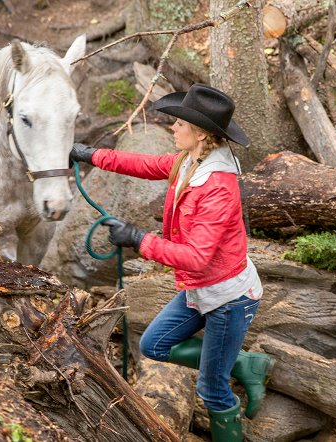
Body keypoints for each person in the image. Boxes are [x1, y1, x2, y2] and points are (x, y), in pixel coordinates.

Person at [70, 83, 272, 441]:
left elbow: (196, 257)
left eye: (180, 123)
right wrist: (90, 155)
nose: (173, 127)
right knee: (154, 345)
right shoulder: (188, 162)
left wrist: (138, 239)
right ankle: (243, 363)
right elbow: (147, 164)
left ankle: (232, 376)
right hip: (201, 289)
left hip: (228, 298)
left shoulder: (218, 187)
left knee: (211, 389)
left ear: (201, 134)